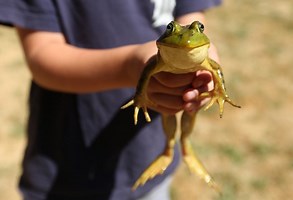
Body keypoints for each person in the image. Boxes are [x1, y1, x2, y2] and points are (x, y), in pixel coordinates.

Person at [0, 0, 222, 199]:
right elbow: (41, 55)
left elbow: (192, 15)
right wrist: (130, 67)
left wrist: (203, 59)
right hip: (68, 167)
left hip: (150, 151)